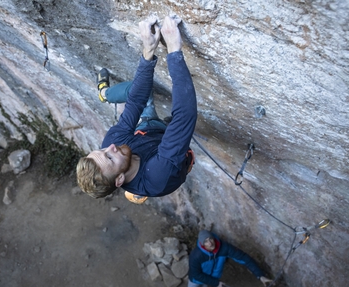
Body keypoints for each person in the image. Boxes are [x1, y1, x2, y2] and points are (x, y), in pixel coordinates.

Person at [76, 14, 197, 204]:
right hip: (161, 161)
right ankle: (138, 190)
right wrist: (174, 50)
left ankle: (105, 93)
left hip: (148, 131)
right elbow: (185, 115)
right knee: (176, 130)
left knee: (139, 91)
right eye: (109, 158)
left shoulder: (112, 144)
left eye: (102, 150)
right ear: (119, 179)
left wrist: (148, 49)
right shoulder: (157, 175)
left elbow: (135, 102)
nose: (111, 147)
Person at [188, 230, 273, 287]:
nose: (210, 243)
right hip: (195, 280)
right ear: (202, 244)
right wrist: (216, 283)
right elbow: (196, 274)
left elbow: (243, 257)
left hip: (213, 279)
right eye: (206, 241)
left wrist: (260, 275)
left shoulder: (224, 248)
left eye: (210, 239)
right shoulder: (196, 255)